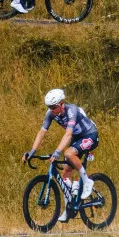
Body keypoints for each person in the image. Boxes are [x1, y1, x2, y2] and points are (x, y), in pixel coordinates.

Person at [25, 89, 99, 221]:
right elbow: (42, 132)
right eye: (49, 107)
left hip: (90, 135)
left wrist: (57, 151)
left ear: (61, 103)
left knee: (68, 153)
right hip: (77, 137)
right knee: (66, 172)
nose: (51, 110)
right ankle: (69, 208)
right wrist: (32, 151)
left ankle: (87, 182)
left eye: (53, 107)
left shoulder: (72, 110)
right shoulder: (51, 114)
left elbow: (68, 134)